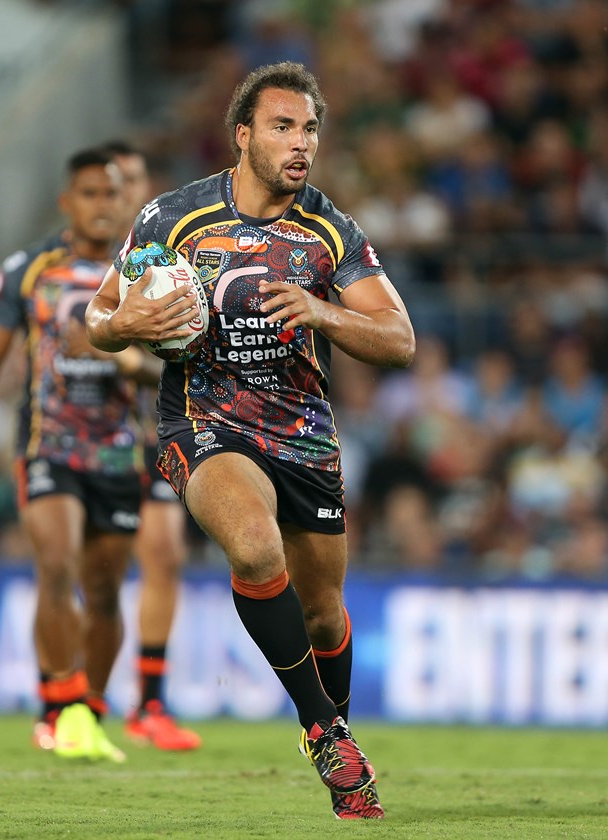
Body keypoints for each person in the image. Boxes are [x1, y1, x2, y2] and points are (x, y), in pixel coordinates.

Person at [86, 63, 415, 818]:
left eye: (310, 130)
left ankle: (338, 736)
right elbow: (98, 319)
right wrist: (125, 327)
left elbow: (400, 340)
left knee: (324, 611)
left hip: (303, 431)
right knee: (256, 547)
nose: (302, 144)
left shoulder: (331, 230)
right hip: (204, 422)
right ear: (243, 136)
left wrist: (323, 313)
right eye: (283, 127)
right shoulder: (173, 217)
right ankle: (322, 729)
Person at [0, 148, 160, 761]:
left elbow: (176, 364)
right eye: (89, 193)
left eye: (112, 194)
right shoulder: (30, 268)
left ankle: (89, 710)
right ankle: (58, 707)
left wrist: (128, 358)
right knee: (56, 566)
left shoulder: (149, 271)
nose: (102, 206)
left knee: (106, 590)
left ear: (125, 201)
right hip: (47, 446)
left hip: (118, 452)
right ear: (68, 202)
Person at [100, 140, 202, 750]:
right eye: (115, 184)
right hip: (94, 439)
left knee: (163, 554)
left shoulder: (172, 252)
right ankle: (74, 697)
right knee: (103, 568)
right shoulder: (96, 264)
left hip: (158, 431)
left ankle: (149, 703)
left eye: (134, 181)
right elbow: (88, 334)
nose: (127, 194)